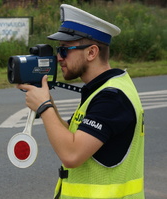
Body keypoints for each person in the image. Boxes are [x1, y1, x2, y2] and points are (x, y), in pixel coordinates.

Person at [17, 4, 145, 199]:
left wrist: (44, 107)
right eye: (58, 50)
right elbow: (71, 136)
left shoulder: (112, 97)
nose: (58, 58)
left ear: (92, 53)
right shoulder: (101, 90)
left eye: (65, 50)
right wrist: (47, 99)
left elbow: (72, 154)